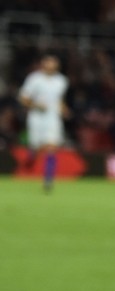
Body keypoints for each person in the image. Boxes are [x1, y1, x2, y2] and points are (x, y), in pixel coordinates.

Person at [17, 53, 69, 192]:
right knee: (37, 148)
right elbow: (23, 98)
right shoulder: (34, 79)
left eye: (53, 63)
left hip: (53, 118)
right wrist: (36, 105)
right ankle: (32, 156)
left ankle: (48, 180)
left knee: (51, 147)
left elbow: (59, 99)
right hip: (36, 118)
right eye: (48, 62)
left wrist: (64, 109)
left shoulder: (62, 81)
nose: (50, 65)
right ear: (43, 64)